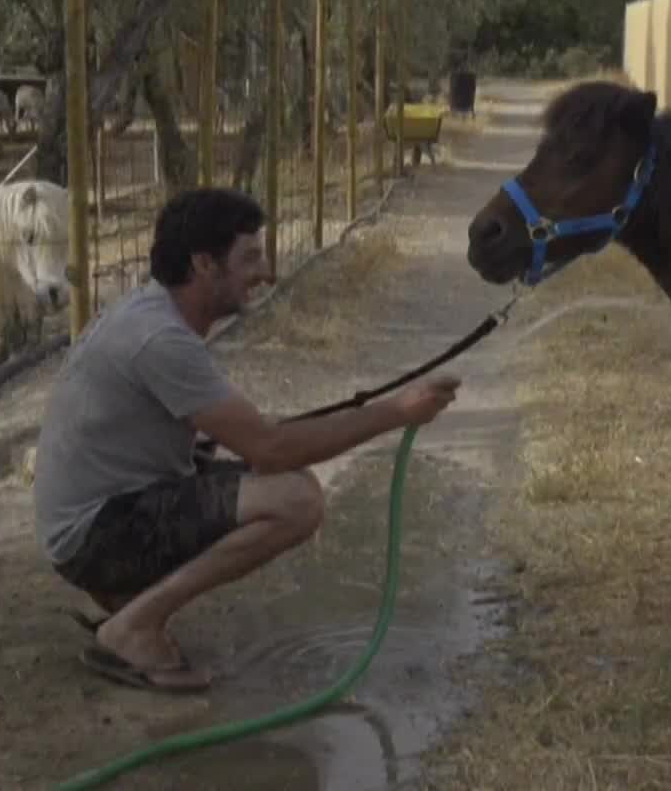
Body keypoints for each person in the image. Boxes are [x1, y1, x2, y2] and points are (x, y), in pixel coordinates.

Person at [31, 185, 462, 693]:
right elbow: (271, 448)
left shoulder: (152, 315)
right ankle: (133, 628)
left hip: (96, 517)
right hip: (91, 536)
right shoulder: (162, 339)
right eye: (251, 257)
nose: (267, 273)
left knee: (271, 478)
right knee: (296, 500)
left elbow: (250, 437)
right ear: (204, 264)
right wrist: (396, 411)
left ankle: (129, 602)